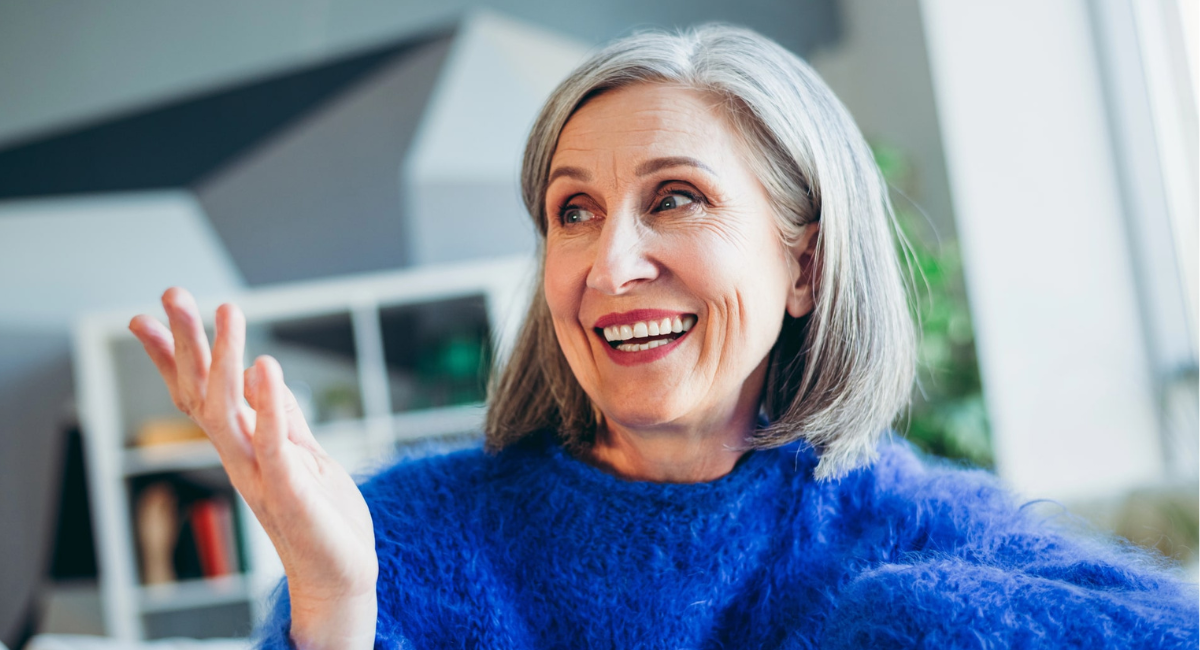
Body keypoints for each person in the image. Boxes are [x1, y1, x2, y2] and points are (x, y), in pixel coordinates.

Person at [128, 24, 1199, 650]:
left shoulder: (913, 528)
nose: (607, 263)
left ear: (805, 266)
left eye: (676, 198)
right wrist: (332, 597)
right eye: (573, 210)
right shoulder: (402, 540)